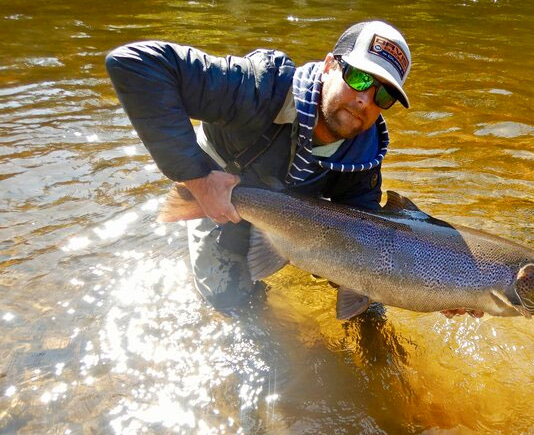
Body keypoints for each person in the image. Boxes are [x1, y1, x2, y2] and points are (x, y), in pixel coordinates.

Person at [106, 21, 482, 319]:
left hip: (293, 210)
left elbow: (364, 245)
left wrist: (435, 289)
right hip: (219, 187)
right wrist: (198, 180)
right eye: (360, 78)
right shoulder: (259, 85)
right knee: (233, 302)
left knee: (371, 311)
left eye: (383, 94)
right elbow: (135, 63)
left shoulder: (363, 154)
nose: (365, 99)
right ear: (331, 64)